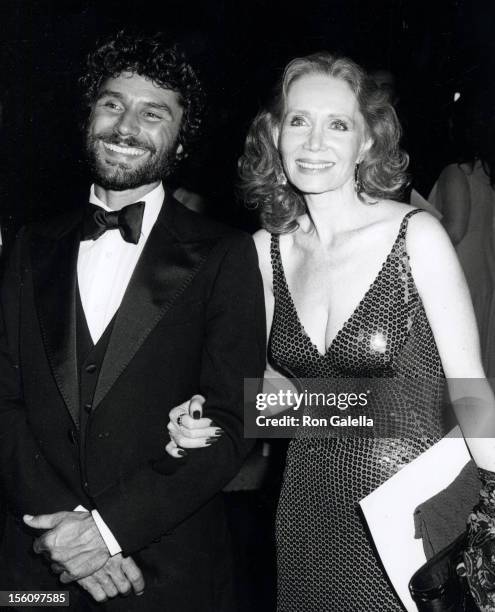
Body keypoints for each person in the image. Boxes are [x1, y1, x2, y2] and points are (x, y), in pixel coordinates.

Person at [165, 52, 495, 611]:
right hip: (308, 517)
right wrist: (209, 415)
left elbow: (468, 389)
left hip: (418, 520)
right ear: (275, 135)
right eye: (299, 121)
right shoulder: (265, 251)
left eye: (337, 124)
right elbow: (276, 403)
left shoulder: (415, 236)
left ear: (366, 143)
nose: (315, 141)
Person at [0, 31, 266, 611]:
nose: (125, 127)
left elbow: (233, 415)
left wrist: (108, 531)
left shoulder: (226, 254)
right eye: (112, 104)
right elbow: (6, 398)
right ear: (90, 114)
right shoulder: (29, 246)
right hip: (33, 569)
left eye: (153, 114)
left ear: (180, 138)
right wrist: (64, 533)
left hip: (167, 570)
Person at [429, 85, 495, 379]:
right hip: (482, 273)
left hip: (459, 277)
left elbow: (454, 229)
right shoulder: (485, 172)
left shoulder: (456, 171)